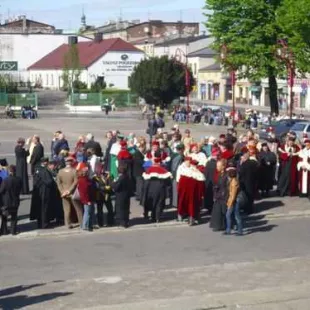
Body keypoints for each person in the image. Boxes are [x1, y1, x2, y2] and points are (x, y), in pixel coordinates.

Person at [141, 154, 172, 222]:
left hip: (151, 189)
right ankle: (157, 217)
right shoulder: (163, 170)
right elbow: (168, 181)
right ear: (159, 163)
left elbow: (145, 180)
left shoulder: (149, 170)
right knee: (159, 203)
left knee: (153, 203)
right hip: (160, 189)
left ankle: (153, 216)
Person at [176, 157, 205, 226]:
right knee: (183, 202)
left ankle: (192, 217)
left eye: (189, 161)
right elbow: (178, 179)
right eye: (187, 161)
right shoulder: (181, 168)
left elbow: (200, 179)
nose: (188, 163)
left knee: (192, 204)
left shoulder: (194, 169)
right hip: (184, 190)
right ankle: (182, 215)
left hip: (193, 191)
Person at [57, 156, 83, 229]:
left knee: (66, 209)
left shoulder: (60, 171)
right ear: (71, 162)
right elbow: (75, 182)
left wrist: (62, 191)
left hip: (64, 193)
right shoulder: (74, 171)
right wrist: (69, 190)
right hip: (73, 193)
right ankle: (81, 223)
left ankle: (68, 224)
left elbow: (59, 183)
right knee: (78, 209)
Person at [30, 158, 56, 229]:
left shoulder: (37, 169)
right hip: (44, 192)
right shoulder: (44, 171)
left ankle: (40, 223)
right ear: (45, 163)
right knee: (44, 208)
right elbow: (49, 182)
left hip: (37, 192)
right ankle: (45, 224)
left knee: (39, 208)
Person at [0, 165, 22, 235]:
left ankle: (4, 231)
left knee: (4, 217)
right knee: (14, 217)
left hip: (6, 201)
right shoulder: (19, 179)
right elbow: (20, 189)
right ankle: (13, 231)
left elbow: (1, 191)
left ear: (9, 171)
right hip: (15, 201)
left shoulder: (5, 180)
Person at [239, 147, 259, 214]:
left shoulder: (243, 165)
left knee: (246, 197)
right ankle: (251, 209)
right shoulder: (253, 163)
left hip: (245, 183)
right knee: (251, 197)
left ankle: (248, 210)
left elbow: (240, 173)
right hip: (253, 182)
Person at [210, 159, 228, 231]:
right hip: (218, 195)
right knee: (217, 211)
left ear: (223, 166)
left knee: (224, 211)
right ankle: (218, 225)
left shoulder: (226, 175)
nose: (217, 167)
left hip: (223, 195)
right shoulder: (219, 174)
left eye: (218, 166)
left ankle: (225, 225)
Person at [224, 164, 242, 235]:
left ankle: (236, 230)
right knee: (235, 215)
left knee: (232, 215)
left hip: (234, 201)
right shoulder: (233, 181)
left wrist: (229, 203)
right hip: (234, 200)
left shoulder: (234, 182)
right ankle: (231, 229)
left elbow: (233, 195)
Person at [77, 167, 94, 231]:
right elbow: (84, 192)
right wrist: (87, 201)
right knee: (87, 213)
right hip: (87, 199)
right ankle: (85, 226)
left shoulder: (84, 179)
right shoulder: (83, 180)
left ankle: (87, 225)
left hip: (87, 199)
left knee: (87, 212)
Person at [171, 143, 185, 208]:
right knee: (176, 190)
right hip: (177, 175)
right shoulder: (179, 156)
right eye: (179, 149)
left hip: (176, 175)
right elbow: (174, 167)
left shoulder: (178, 155)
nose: (179, 150)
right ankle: (177, 204)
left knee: (176, 190)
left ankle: (176, 203)